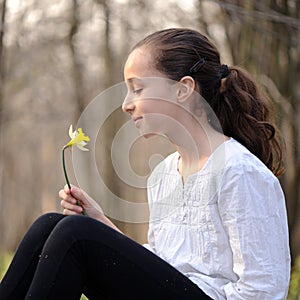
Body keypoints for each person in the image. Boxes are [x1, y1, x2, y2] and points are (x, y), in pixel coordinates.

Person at [0, 28, 290, 299]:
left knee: (74, 234)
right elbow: (161, 267)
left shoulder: (239, 172)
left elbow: (264, 288)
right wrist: (100, 222)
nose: (126, 103)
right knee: (50, 225)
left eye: (137, 89)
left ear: (183, 90)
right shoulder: (164, 174)